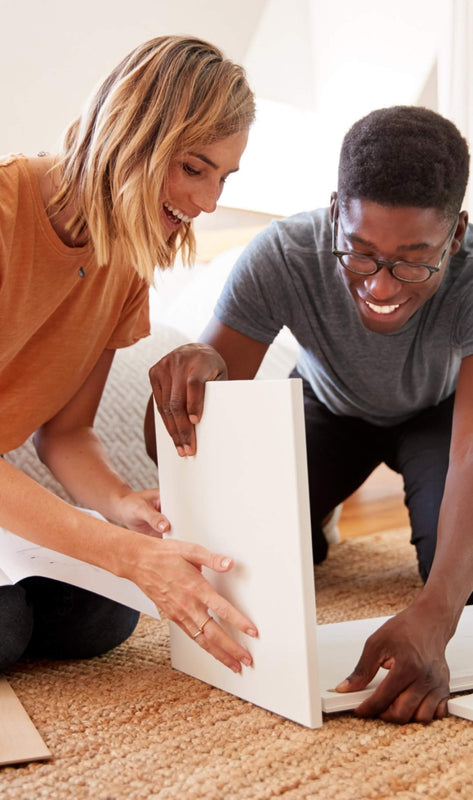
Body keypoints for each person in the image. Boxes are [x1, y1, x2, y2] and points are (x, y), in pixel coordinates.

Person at [146, 105, 473, 724]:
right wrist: (188, 376)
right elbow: (171, 444)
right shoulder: (286, 254)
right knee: (261, 555)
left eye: (414, 259)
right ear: (333, 215)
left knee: (459, 580)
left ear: (455, 236)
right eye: (360, 251)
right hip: (329, 403)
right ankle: (315, 523)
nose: (381, 286)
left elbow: (470, 452)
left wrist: (437, 613)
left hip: (441, 414)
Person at [0, 35, 259, 673]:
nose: (208, 202)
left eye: (223, 177)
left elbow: (66, 433)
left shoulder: (126, 257)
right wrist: (123, 554)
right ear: (132, 135)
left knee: (103, 615)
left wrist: (121, 507)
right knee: (9, 626)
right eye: (193, 168)